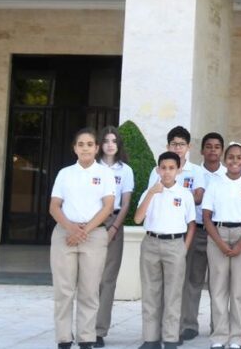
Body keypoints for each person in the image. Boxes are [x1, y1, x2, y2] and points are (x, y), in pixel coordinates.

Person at [49, 128, 117, 349]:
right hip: (64, 235)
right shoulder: (65, 173)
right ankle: (64, 338)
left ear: (96, 148)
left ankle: (86, 338)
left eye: (89, 144)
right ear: (74, 148)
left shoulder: (105, 173)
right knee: (64, 289)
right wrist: (71, 229)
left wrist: (84, 230)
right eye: (81, 144)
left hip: (93, 235)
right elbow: (54, 206)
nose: (85, 148)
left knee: (89, 289)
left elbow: (108, 206)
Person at [203, 142, 241, 349]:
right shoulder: (215, 184)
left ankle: (237, 338)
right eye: (231, 157)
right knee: (218, 289)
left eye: (239, 157)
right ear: (225, 160)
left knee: (240, 291)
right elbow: (206, 216)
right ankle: (219, 337)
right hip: (217, 235)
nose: (234, 161)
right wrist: (219, 243)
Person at [134, 151, 196, 349]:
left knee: (173, 293)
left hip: (175, 244)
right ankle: (151, 338)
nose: (167, 172)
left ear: (178, 170)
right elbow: (137, 218)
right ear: (158, 169)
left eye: (171, 168)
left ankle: (170, 337)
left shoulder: (184, 194)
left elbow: (191, 224)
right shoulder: (149, 192)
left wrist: (184, 249)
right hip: (151, 243)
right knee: (151, 292)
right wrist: (152, 193)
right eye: (163, 168)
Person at [181, 132, 226, 341]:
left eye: (217, 147)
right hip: (197, 230)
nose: (213, 150)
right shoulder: (193, 173)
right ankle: (189, 324)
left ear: (222, 150)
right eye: (209, 146)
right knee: (193, 278)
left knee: (220, 281)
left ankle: (219, 325)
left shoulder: (229, 174)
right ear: (201, 150)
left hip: (220, 232)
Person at [94, 125, 134, 347]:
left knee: (107, 280)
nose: (110, 144)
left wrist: (115, 228)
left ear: (118, 145)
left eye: (114, 141)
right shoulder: (93, 167)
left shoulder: (125, 170)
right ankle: (85, 327)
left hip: (114, 221)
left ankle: (99, 330)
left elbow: (126, 202)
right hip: (92, 223)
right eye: (106, 140)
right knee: (89, 279)